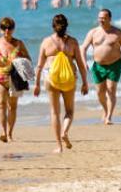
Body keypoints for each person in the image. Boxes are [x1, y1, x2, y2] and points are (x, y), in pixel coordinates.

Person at [34, 14, 89, 153]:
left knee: (54, 112)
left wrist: (36, 84)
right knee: (69, 111)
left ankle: (58, 145)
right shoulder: (73, 42)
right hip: (69, 79)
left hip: (51, 79)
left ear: (53, 26)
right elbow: (81, 65)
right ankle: (64, 131)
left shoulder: (46, 42)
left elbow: (39, 65)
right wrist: (85, 82)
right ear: (67, 26)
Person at [81, 9, 121, 124]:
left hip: (114, 65)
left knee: (111, 90)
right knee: (100, 92)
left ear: (109, 18)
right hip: (98, 66)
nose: (101, 20)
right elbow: (83, 48)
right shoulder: (93, 32)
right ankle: (105, 110)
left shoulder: (118, 33)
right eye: (99, 18)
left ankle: (109, 116)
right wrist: (84, 63)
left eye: (104, 18)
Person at [0, 17, 30, 143]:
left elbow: (28, 59)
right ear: (0, 29)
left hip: (15, 78)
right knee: (0, 104)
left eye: (9, 28)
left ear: (13, 29)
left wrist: (21, 64)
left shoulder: (19, 44)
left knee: (12, 107)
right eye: (4, 28)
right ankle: (3, 133)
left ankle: (10, 133)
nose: (7, 31)